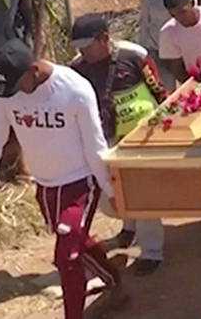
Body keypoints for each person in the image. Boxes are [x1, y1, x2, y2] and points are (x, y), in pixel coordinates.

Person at [0, 40, 124, 319]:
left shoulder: (74, 90)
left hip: (81, 181)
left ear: (33, 69)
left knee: (66, 258)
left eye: (19, 85)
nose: (16, 94)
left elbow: (95, 144)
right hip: (45, 186)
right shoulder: (4, 93)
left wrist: (109, 188)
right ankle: (114, 280)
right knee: (75, 242)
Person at [70, 15, 168, 275]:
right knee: (110, 195)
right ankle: (129, 228)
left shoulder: (134, 56)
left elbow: (159, 90)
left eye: (87, 45)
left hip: (141, 138)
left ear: (104, 39)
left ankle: (151, 252)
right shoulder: (77, 70)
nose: (83, 52)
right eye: (79, 47)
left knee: (142, 194)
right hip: (105, 142)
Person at [138, 0, 198, 89]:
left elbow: (191, 19)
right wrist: (143, 47)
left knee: (189, 85)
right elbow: (145, 20)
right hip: (157, 47)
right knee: (166, 88)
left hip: (181, 49)